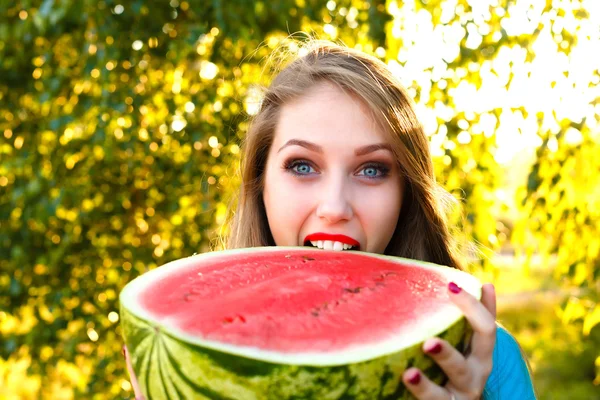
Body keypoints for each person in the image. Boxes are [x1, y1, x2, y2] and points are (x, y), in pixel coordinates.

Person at [124, 40, 536, 399]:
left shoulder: (488, 363)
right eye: (302, 166)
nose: (335, 207)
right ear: (259, 182)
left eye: (372, 169)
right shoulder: (191, 352)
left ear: (405, 192)